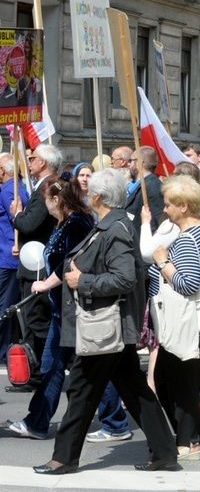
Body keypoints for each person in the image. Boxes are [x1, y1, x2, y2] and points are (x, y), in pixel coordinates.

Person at [33, 169, 176, 474]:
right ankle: (164, 451)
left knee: (81, 388)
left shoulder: (115, 228)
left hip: (106, 327)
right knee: (134, 389)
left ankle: (64, 458)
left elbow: (124, 278)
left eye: (90, 193)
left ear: (98, 196)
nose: (86, 196)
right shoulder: (112, 224)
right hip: (112, 328)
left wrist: (83, 281)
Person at [6, 173, 94, 440]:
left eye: (46, 201)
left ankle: (115, 421)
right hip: (61, 310)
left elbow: (70, 261)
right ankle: (37, 422)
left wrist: (45, 284)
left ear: (57, 199)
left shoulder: (77, 223)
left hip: (74, 308)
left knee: (94, 370)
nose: (45, 207)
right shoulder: (63, 222)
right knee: (52, 366)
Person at [149, 176, 200, 460]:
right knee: (178, 379)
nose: (165, 210)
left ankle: (188, 442)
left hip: (180, 319)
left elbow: (188, 284)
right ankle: (193, 437)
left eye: (169, 205)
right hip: (186, 320)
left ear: (183, 207)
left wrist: (162, 262)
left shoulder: (188, 238)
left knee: (174, 382)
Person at [9, 144, 59, 392]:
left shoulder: (49, 187)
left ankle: (48, 370)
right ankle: (33, 373)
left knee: (38, 321)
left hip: (38, 269)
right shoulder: (43, 186)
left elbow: (30, 224)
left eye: (33, 158)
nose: (28, 162)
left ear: (44, 162)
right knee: (29, 321)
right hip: (31, 265)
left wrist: (17, 215)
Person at [0, 154, 28, 363]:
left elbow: (17, 217)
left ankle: (2, 351)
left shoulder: (11, 190)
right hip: (7, 256)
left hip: (7, 257)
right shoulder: (15, 186)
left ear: (3, 170)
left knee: (4, 307)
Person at [124, 145, 164, 236]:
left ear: (140, 162)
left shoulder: (152, 186)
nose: (129, 164)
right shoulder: (139, 185)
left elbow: (155, 222)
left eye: (131, 160)